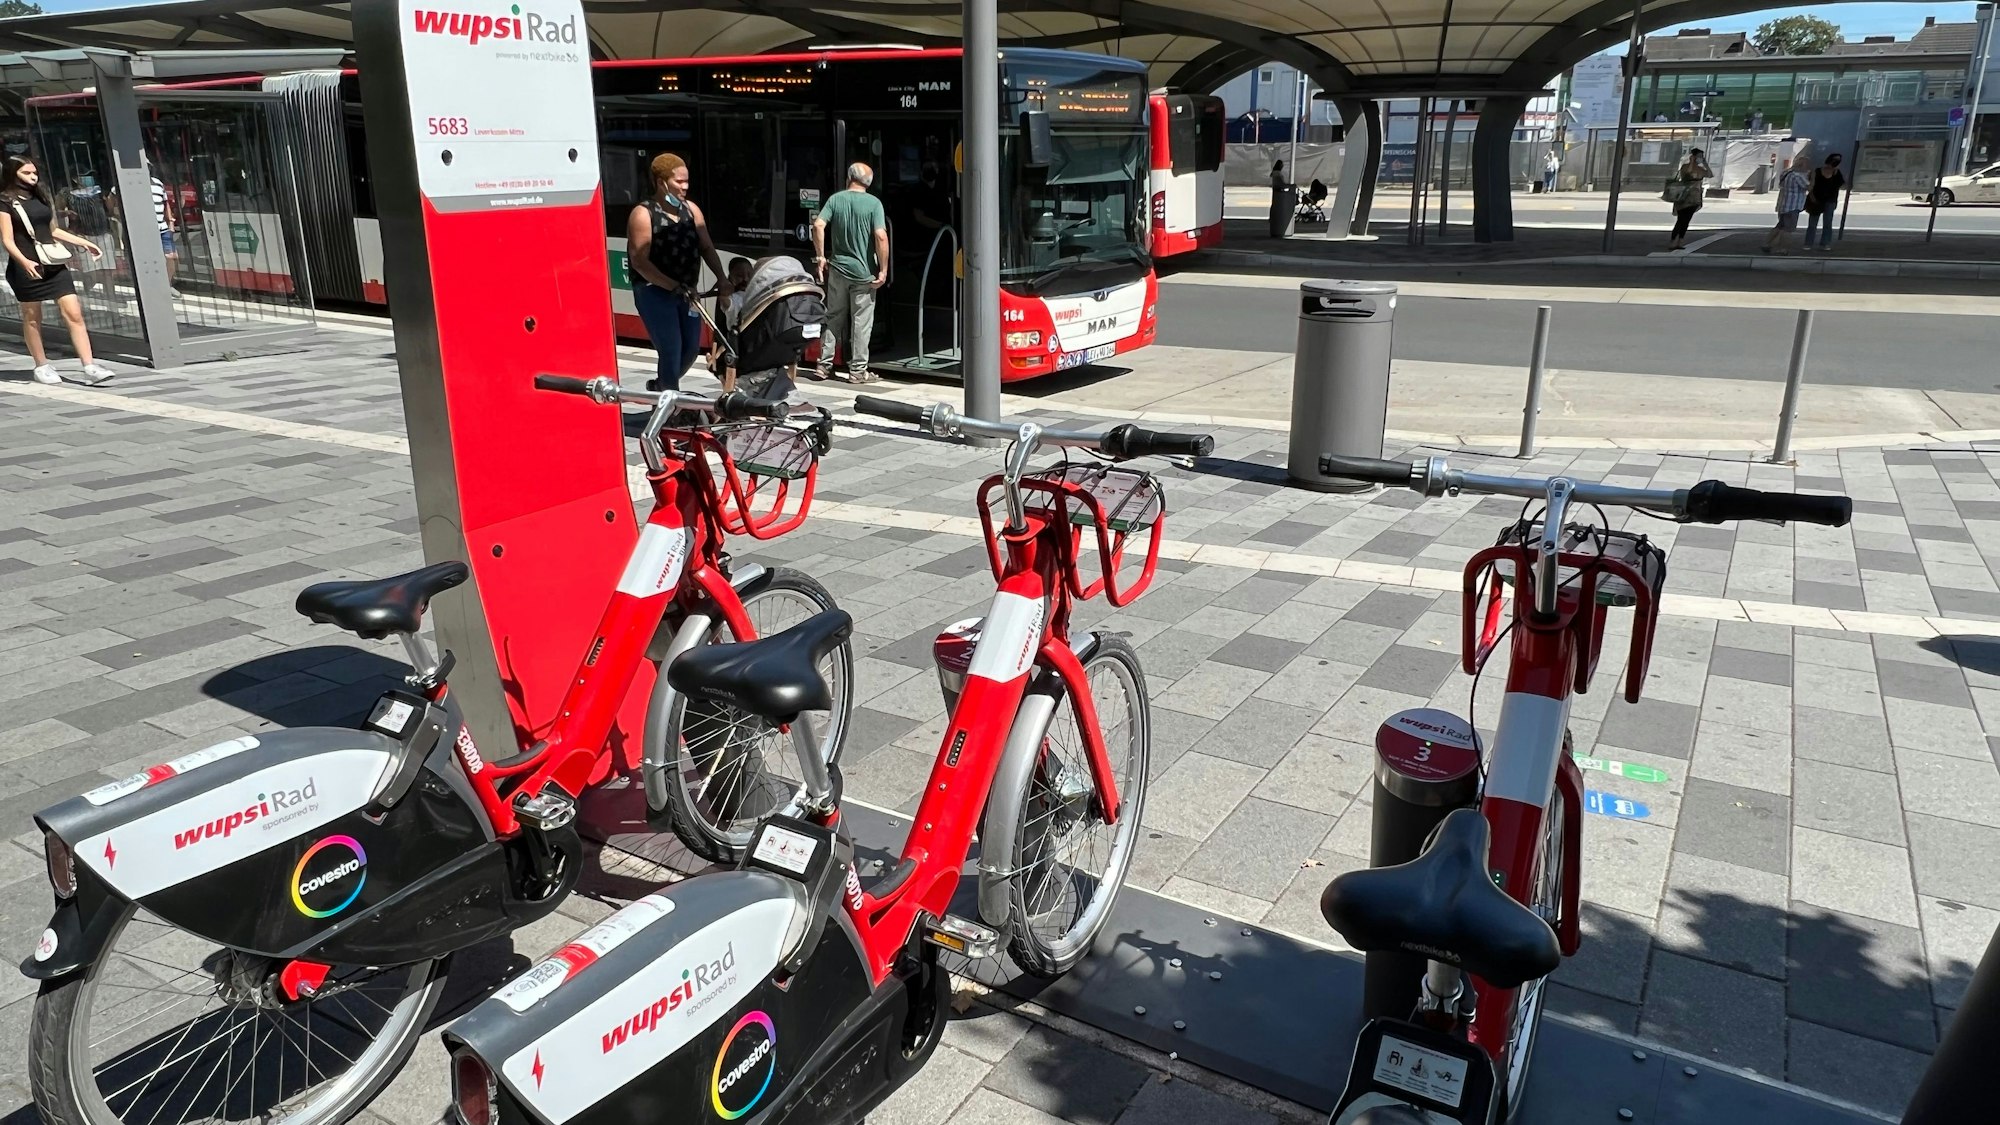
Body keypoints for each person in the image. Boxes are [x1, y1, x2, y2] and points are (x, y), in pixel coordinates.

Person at [0, 156, 114, 386]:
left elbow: (52, 230)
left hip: (53, 263)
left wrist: (82, 242)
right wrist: (24, 262)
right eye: (27, 174)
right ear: (13, 174)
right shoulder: (5, 201)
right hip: (28, 266)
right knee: (33, 317)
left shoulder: (41, 195)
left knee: (74, 312)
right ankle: (41, 365)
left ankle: (89, 366)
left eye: (34, 173)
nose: (33, 177)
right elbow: (7, 240)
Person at [625, 152, 730, 392]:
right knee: (670, 348)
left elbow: (706, 247)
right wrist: (671, 285)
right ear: (661, 182)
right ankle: (667, 407)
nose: (685, 187)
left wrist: (722, 279)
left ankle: (663, 386)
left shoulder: (691, 209)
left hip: (687, 293)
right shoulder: (643, 214)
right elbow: (640, 261)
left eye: (687, 181)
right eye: (679, 182)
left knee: (691, 349)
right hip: (654, 291)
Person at [812, 162, 887, 384]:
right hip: (865, 274)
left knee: (833, 317)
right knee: (861, 322)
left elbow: (818, 225)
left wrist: (821, 257)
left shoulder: (836, 199)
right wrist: (883, 270)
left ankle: (823, 366)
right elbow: (881, 237)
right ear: (868, 183)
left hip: (838, 270)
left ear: (849, 178)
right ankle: (857, 371)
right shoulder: (874, 204)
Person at [1762, 155, 1812, 255]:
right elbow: (1808, 187)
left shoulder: (1786, 172)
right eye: (1806, 165)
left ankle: (1767, 244)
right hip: (1793, 205)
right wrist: (1812, 178)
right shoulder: (1798, 176)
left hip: (1783, 203)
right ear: (1802, 165)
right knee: (1788, 229)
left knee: (1780, 226)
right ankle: (1783, 248)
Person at [1665, 148, 1711, 250]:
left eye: (1701, 157)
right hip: (1684, 196)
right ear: (1693, 156)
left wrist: (1705, 164)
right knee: (1680, 220)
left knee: (1686, 221)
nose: (1700, 159)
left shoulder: (1700, 169)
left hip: (1694, 197)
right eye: (1699, 156)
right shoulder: (1686, 167)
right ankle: (1673, 241)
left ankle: (1680, 241)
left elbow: (1709, 174)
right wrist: (1691, 162)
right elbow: (1687, 174)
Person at [1803, 152, 1845, 252]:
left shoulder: (1837, 173)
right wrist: (1812, 196)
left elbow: (1842, 184)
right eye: (1834, 160)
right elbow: (1811, 185)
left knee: (1827, 223)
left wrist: (1835, 173)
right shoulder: (1817, 171)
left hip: (1830, 200)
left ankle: (1825, 243)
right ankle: (1808, 243)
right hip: (1816, 199)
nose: (1835, 163)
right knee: (1812, 223)